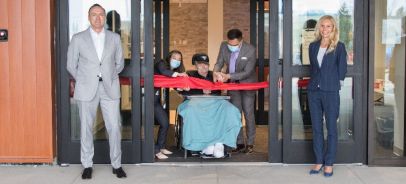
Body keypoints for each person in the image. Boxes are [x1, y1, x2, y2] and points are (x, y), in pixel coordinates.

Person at [67, 4, 126, 179]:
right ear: (88, 17)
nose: (98, 18)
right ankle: (87, 165)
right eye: (94, 14)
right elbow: (71, 64)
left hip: (109, 87)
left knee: (114, 127)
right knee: (86, 128)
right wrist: (85, 78)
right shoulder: (78, 38)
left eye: (101, 14)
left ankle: (117, 164)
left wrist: (109, 75)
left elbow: (120, 63)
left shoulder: (114, 38)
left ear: (104, 17)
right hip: (86, 88)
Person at [178, 53, 241, 158]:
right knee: (192, 111)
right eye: (201, 64)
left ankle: (220, 142)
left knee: (231, 110)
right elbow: (182, 89)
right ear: (195, 65)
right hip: (195, 102)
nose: (204, 67)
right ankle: (202, 143)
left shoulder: (214, 75)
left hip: (215, 102)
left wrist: (223, 78)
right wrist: (199, 89)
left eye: (206, 64)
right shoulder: (189, 74)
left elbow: (227, 83)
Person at [307, 15, 347, 177]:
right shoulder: (313, 46)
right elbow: (314, 69)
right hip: (313, 91)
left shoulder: (339, 46)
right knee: (316, 128)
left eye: (328, 26)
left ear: (333, 28)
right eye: (322, 26)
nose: (325, 29)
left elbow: (342, 69)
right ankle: (319, 161)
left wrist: (336, 86)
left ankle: (329, 162)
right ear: (319, 28)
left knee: (331, 128)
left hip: (330, 91)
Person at [213, 29, 257, 154]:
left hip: (247, 85)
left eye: (234, 45)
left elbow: (247, 72)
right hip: (233, 86)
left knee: (248, 113)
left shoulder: (250, 50)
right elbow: (219, 62)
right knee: (235, 114)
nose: (231, 47)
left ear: (241, 41)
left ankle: (250, 143)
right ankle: (239, 143)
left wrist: (228, 76)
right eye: (229, 44)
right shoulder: (224, 45)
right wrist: (216, 73)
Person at [154, 50, 188, 159]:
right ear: (169, 58)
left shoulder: (174, 72)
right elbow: (164, 72)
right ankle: (155, 151)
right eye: (174, 58)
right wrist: (178, 74)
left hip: (155, 100)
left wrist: (182, 89)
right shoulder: (161, 63)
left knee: (165, 123)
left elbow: (173, 84)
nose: (176, 61)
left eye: (179, 59)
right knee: (148, 126)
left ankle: (161, 146)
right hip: (146, 98)